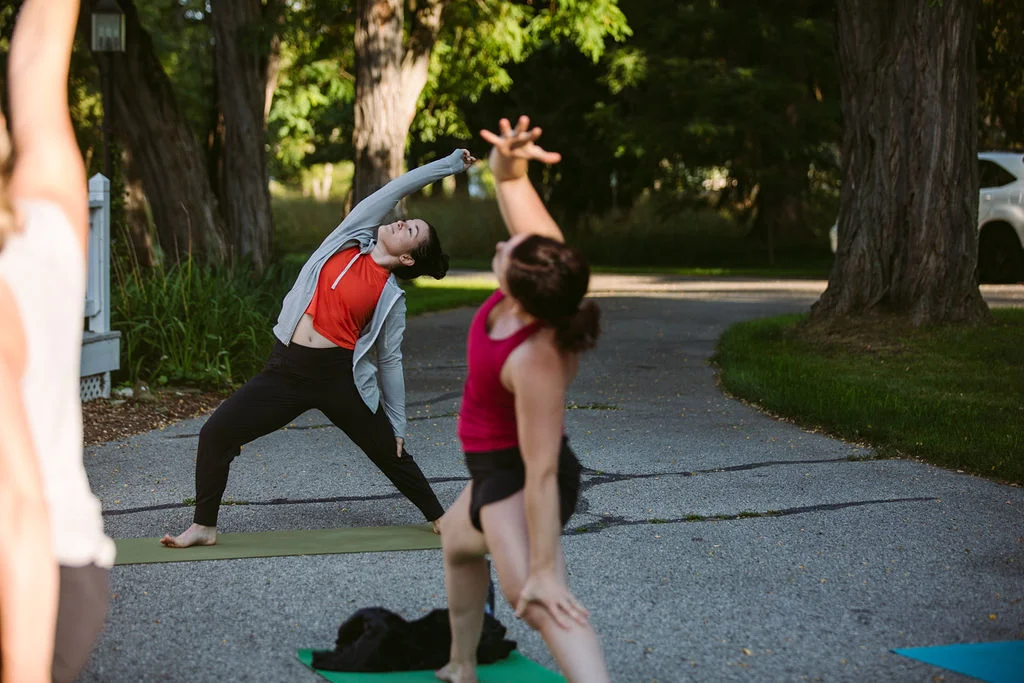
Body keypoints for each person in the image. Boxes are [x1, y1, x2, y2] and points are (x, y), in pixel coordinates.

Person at [162, 148, 477, 548]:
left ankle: (440, 518)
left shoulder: (390, 297)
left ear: (407, 259)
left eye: (410, 231)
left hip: (336, 378)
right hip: (285, 370)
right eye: (406, 220)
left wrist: (398, 424)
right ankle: (204, 527)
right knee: (215, 434)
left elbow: (390, 361)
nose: (401, 222)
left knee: (390, 451)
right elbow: (396, 188)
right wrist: (450, 165)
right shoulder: (348, 238)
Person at [435, 116, 609, 683]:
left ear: (521, 296)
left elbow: (542, 471)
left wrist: (544, 567)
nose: (504, 241)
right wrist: (509, 158)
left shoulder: (536, 358)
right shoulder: (546, 266)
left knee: (536, 600)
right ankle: (461, 665)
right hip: (492, 471)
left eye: (507, 252)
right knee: (458, 544)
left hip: (518, 477)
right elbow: (509, 182)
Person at [0, 1, 117, 681]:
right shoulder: (41, 225)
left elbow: (15, 512)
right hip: (66, 566)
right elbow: (38, 58)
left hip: (29, 573)